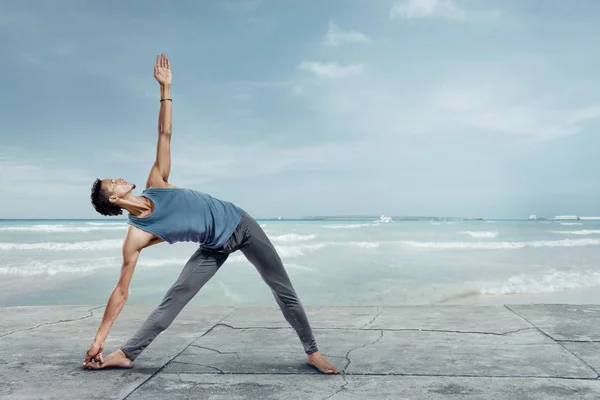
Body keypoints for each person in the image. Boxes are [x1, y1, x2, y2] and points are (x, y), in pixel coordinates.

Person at [81, 54, 338, 374]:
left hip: (242, 224)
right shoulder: (136, 236)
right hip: (213, 247)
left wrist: (165, 89)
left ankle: (312, 351)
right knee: (174, 300)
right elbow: (121, 290)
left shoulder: (156, 183)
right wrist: (98, 339)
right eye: (113, 184)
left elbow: (165, 135)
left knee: (281, 288)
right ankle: (127, 353)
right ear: (115, 200)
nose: (119, 179)